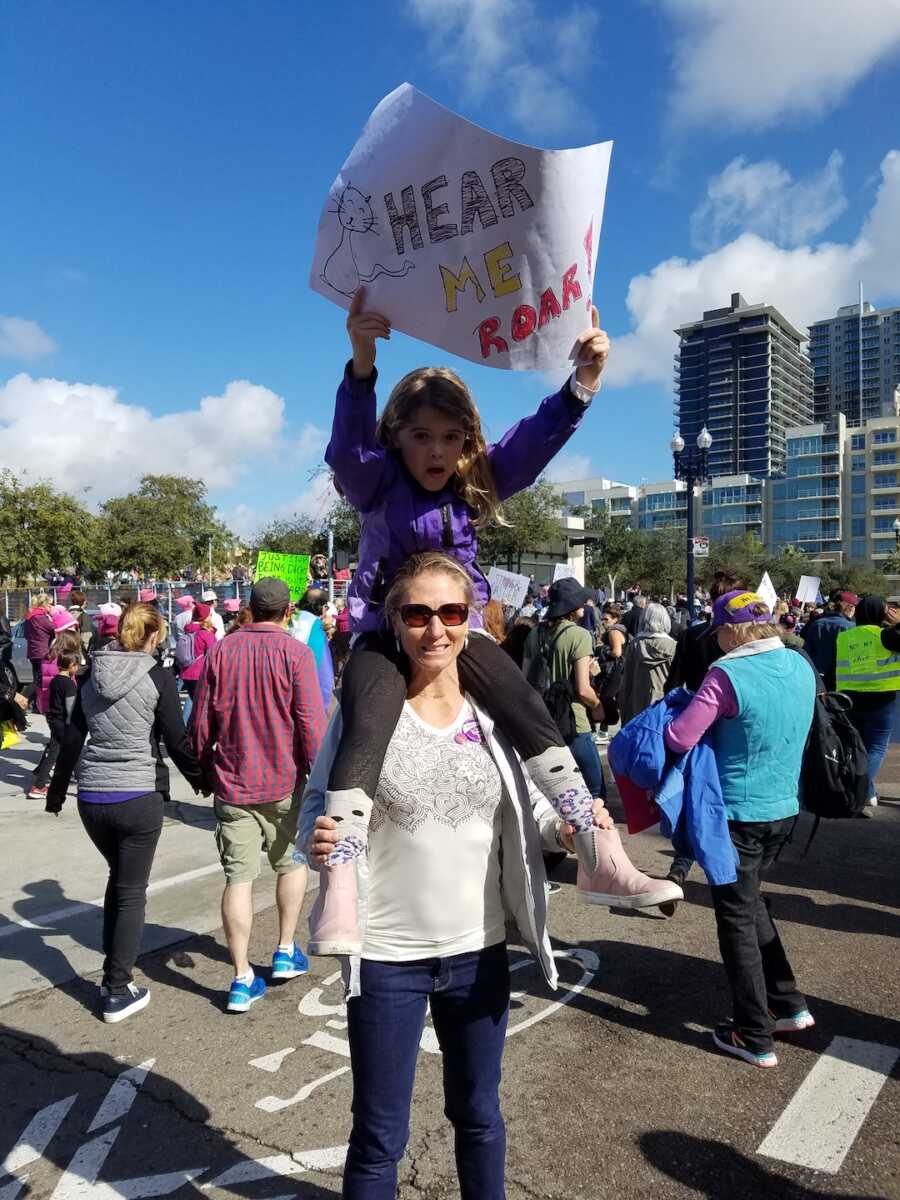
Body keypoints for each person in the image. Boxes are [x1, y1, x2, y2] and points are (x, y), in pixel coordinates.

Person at [299, 552, 613, 1199]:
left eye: (451, 612)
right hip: (385, 957)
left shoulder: (491, 714)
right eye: (417, 613)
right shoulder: (364, 710)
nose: (435, 629)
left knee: (478, 1116)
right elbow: (314, 812)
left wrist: (574, 831)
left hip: (478, 951)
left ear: (471, 618)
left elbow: (532, 812)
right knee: (380, 1136)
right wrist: (318, 839)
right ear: (394, 621)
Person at [312, 286, 614, 955]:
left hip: (462, 632)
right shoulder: (376, 480)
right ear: (396, 438)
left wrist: (582, 383)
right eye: (420, 436)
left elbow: (532, 443)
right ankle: (339, 881)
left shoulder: (475, 484)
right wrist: (361, 365)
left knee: (527, 707)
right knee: (364, 726)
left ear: (469, 444)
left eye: (452, 438)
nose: (437, 451)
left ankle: (594, 841)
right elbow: (347, 451)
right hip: (382, 635)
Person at [664, 590, 816, 1068]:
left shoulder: (727, 674)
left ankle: (753, 1033)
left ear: (732, 630)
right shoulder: (801, 664)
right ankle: (787, 1003)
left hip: (735, 813)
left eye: (719, 632)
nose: (718, 641)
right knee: (749, 903)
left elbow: (680, 736)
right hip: (785, 808)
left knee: (735, 919)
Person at [45, 603, 206, 1023]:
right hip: (136, 795)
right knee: (131, 891)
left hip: (93, 798)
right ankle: (116, 989)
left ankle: (114, 971)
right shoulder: (158, 675)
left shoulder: (89, 674)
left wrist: (57, 792)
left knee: (119, 881)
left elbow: (72, 737)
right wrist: (202, 780)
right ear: (154, 636)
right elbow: (175, 739)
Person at [190, 578, 327, 1011]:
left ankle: (241, 976)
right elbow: (310, 723)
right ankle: (285, 949)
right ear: (288, 611)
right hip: (284, 780)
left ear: (248, 608)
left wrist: (206, 770)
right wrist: (317, 773)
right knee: (291, 864)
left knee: (238, 879)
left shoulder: (221, 651)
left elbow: (200, 726)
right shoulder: (295, 653)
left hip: (232, 782)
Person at [523, 577, 681, 909]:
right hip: (574, 723)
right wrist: (598, 707)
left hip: (540, 723)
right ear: (576, 608)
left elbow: (526, 679)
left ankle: (547, 863)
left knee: (553, 797)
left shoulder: (536, 633)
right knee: (593, 795)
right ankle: (602, 869)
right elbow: (582, 688)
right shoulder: (578, 636)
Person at [837, 594, 900, 813]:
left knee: (859, 747)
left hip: (850, 699)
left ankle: (868, 791)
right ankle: (858, 791)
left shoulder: (845, 636)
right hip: (881, 699)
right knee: (876, 748)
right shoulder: (885, 635)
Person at [29, 651, 79, 800]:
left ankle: (39, 785)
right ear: (71, 666)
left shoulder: (55, 681)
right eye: (76, 665)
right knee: (74, 753)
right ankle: (84, 786)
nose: (77, 669)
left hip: (54, 721)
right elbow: (70, 707)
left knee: (54, 753)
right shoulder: (69, 684)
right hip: (64, 723)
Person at [618, 602, 677, 726]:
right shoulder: (673, 646)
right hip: (665, 704)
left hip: (637, 703)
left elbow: (627, 679)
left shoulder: (635, 644)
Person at [802, 589, 857, 691]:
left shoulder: (817, 623)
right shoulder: (850, 627)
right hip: (839, 677)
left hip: (816, 674)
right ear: (850, 607)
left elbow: (807, 649)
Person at [290, 590, 336, 712]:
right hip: (307, 695)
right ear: (321, 607)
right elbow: (323, 670)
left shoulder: (289, 619)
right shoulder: (315, 626)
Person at [177, 603, 217, 704]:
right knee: (204, 708)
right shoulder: (206, 634)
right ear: (206, 617)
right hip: (201, 675)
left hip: (186, 674)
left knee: (195, 705)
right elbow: (214, 656)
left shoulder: (187, 631)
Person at [24, 593, 55, 710]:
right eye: (50, 605)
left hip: (33, 651)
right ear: (44, 604)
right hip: (42, 651)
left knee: (37, 678)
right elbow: (53, 628)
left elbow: (26, 634)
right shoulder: (41, 617)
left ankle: (36, 705)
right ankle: (21, 699)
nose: (51, 607)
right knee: (39, 680)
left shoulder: (30, 616)